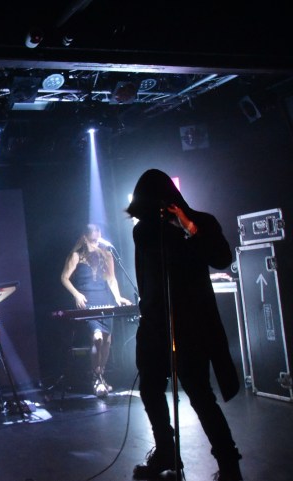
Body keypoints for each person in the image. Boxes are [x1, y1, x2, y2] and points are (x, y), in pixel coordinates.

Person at [125, 169, 242, 480]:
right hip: (155, 325)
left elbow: (222, 258)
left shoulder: (201, 222)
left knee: (200, 394)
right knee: (150, 389)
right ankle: (167, 451)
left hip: (190, 326)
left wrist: (189, 226)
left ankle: (229, 462)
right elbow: (148, 275)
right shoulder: (144, 231)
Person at [60, 223, 131, 395]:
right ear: (85, 238)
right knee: (97, 338)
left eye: (98, 239)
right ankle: (96, 378)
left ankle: (100, 375)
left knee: (107, 341)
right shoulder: (77, 255)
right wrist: (76, 294)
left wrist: (118, 297)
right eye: (93, 239)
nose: (96, 242)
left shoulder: (107, 254)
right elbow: (64, 277)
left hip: (104, 300)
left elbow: (111, 279)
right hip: (88, 301)